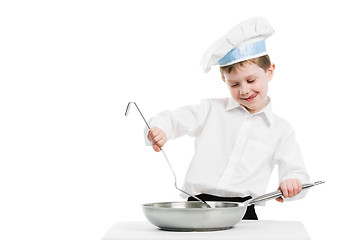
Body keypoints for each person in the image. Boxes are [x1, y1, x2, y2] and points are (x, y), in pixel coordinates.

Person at [144, 17, 309, 220]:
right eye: (234, 84)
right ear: (224, 81)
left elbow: (296, 172)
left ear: (270, 71)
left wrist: (292, 182)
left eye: (251, 80)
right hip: (196, 206)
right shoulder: (210, 110)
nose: (244, 90)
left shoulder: (281, 130)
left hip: (244, 212)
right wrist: (159, 129)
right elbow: (173, 119)